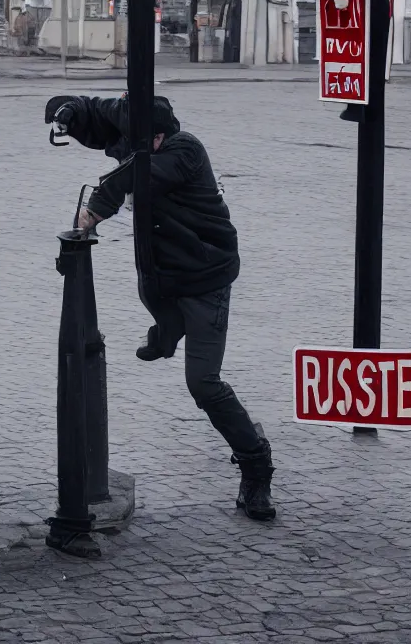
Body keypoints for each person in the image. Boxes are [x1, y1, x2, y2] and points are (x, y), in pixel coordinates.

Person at [47, 93, 276, 521]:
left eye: (139, 143)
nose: (128, 148)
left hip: (206, 280)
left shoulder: (184, 150)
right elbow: (99, 116)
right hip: (164, 280)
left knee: (203, 383)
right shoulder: (139, 132)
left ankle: (256, 463)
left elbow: (136, 173)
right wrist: (68, 116)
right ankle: (167, 331)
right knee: (161, 315)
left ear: (158, 136)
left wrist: (93, 211)